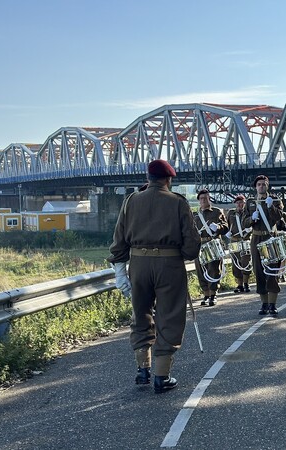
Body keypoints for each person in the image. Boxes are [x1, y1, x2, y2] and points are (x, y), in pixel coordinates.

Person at [108, 159, 201, 394]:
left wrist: (121, 271)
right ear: (169, 179)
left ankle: (142, 370)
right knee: (169, 316)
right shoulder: (178, 202)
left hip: (138, 264)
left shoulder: (130, 201)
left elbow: (119, 241)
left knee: (140, 314)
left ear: (147, 179)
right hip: (169, 265)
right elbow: (191, 248)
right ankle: (162, 376)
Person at [243, 175, 284, 315]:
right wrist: (251, 219)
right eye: (259, 184)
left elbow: (279, 217)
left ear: (267, 186)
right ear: (255, 187)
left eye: (264, 184)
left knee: (272, 272)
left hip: (270, 237)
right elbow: (244, 222)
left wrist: (270, 206)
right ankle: (264, 303)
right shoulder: (250, 202)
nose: (261, 186)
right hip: (256, 238)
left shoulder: (275, 200)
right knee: (259, 271)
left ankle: (272, 304)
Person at [194, 189, 229, 307]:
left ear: (209, 199)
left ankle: (213, 294)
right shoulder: (195, 216)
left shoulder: (216, 212)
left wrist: (218, 227)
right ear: (199, 201)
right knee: (201, 270)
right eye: (201, 199)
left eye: (206, 198)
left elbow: (226, 227)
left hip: (213, 243)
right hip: (200, 245)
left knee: (213, 269)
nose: (203, 200)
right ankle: (206, 294)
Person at [225, 195, 252, 293]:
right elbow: (226, 224)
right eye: (238, 203)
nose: (240, 204)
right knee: (236, 263)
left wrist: (250, 230)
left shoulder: (248, 213)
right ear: (235, 204)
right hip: (234, 240)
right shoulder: (231, 213)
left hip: (245, 239)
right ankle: (239, 284)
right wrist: (227, 232)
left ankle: (246, 283)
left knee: (246, 261)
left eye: (242, 202)